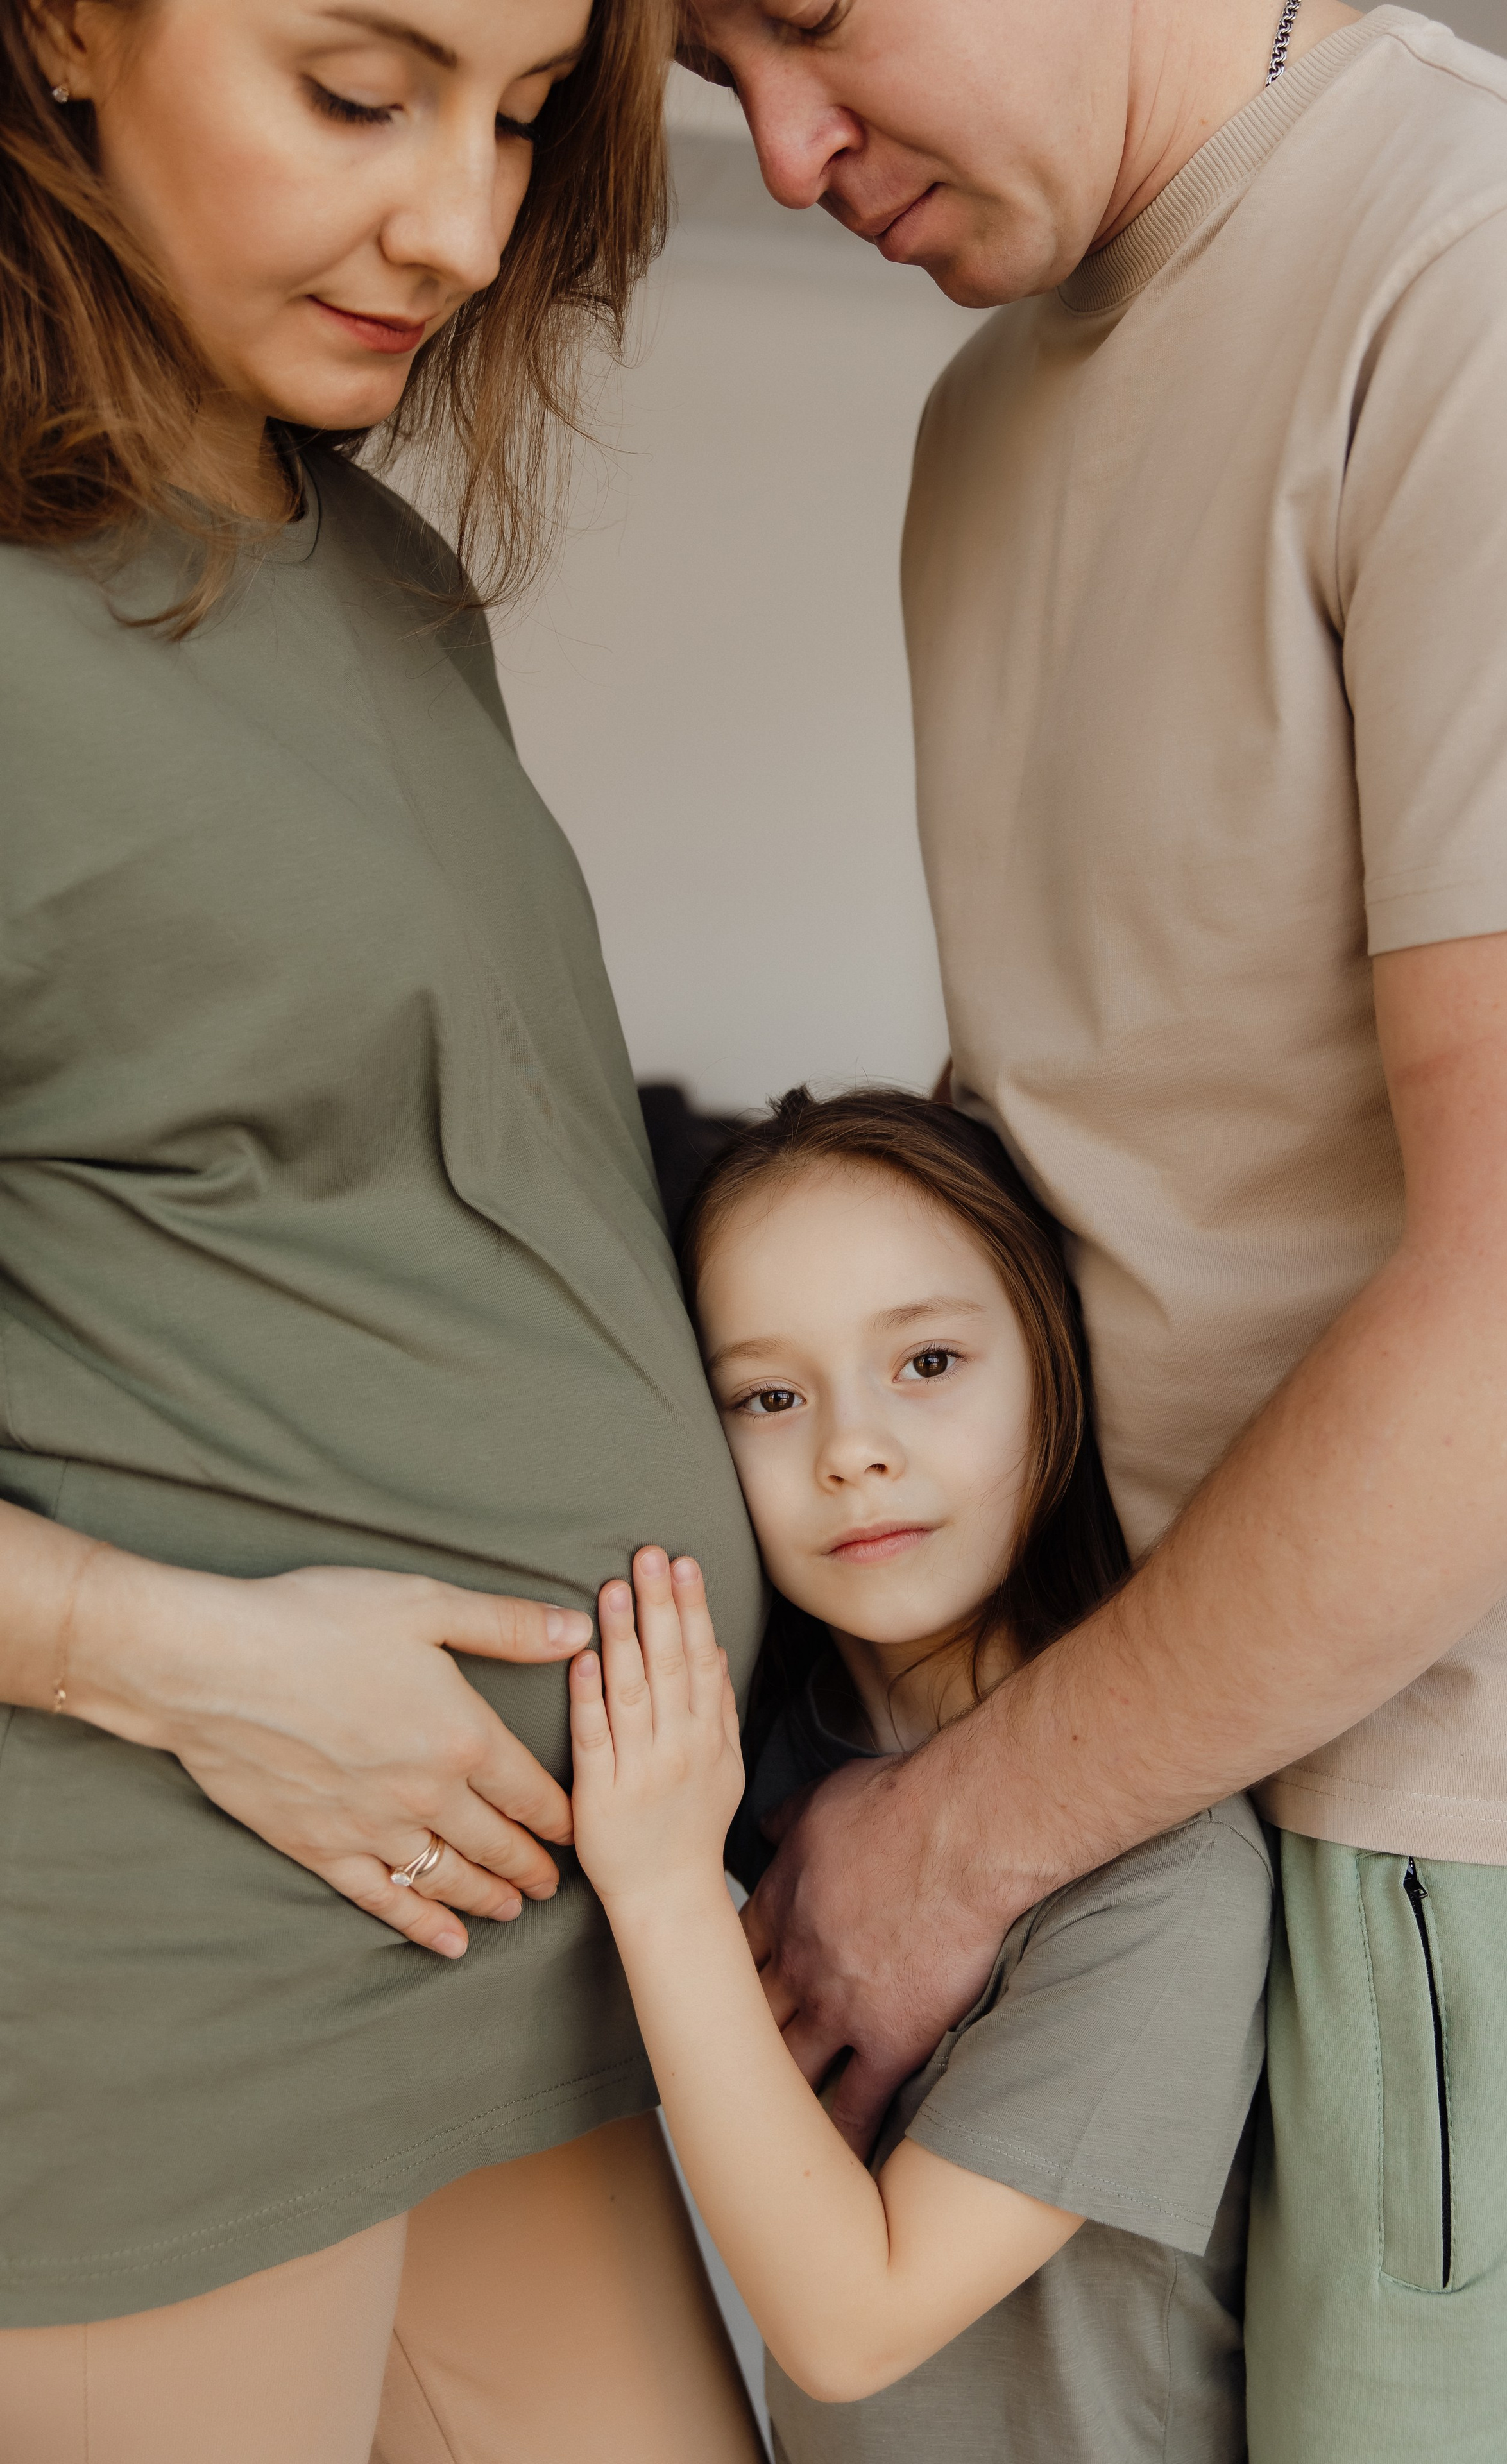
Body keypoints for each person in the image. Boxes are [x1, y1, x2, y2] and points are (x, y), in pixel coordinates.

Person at [674, 0, 1507, 2454]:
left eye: (804, 17)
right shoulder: (983, 416)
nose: (782, 150)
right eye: (710, 69)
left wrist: (963, 1843)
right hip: (1131, 1777)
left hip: (1462, 1840)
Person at [0, 3, 765, 2458]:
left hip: (528, 1960)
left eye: (524, 118)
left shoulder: (381, 569)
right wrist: (164, 1655)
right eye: (361, 90)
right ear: (59, 28)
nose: (458, 220)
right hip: (176, 1997)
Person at [568, 1087, 1273, 2464]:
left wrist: (658, 1888)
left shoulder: (1165, 1873)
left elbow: (851, 2323)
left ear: (1054, 1366)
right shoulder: (765, 1750)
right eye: (769, 1396)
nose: (850, 1449)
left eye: (929, 1364)